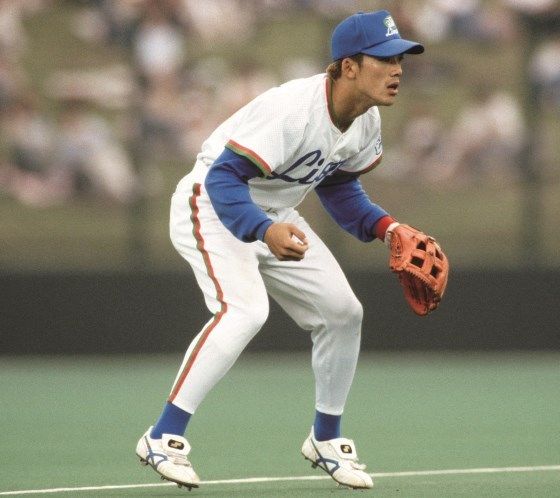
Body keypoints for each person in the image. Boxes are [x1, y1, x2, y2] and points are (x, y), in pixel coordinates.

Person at [136, 10, 424, 490]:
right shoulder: (294, 109)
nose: (397, 70)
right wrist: (262, 230)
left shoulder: (365, 119)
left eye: (401, 60)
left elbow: (338, 187)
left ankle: (325, 438)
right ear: (349, 66)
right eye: (386, 59)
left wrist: (387, 228)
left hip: (274, 213)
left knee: (342, 312)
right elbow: (223, 178)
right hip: (211, 204)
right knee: (244, 310)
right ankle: (163, 436)